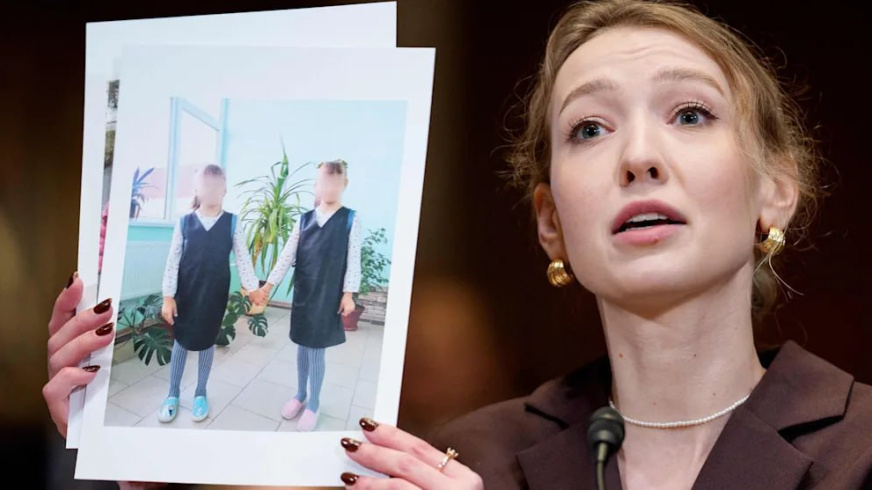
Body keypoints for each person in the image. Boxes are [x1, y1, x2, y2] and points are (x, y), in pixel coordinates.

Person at [43, 1, 872, 488]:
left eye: (690, 114)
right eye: (589, 128)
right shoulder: (464, 458)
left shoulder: (860, 446)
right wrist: (156, 466)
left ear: (776, 189)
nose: (640, 156)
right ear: (551, 222)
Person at [250, 159, 362, 432]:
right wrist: (267, 287)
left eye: (335, 183)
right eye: (324, 182)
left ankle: (314, 403)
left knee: (316, 349)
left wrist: (348, 294)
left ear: (344, 184)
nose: (329, 188)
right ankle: (300, 394)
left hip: (328, 295)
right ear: (316, 185)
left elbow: (354, 260)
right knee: (302, 344)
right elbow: (286, 256)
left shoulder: (350, 219)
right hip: (304, 292)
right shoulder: (304, 220)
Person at [157, 163, 262, 423]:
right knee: (181, 341)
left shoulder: (232, 223)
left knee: (206, 341)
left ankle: (200, 393)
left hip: (214, 294)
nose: (212, 190)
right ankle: (172, 394)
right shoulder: (184, 222)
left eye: (217, 186)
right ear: (197, 189)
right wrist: (168, 297)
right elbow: (172, 261)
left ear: (224, 190)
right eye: (206, 185)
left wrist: (252, 288)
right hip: (186, 294)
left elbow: (243, 258)